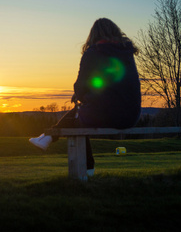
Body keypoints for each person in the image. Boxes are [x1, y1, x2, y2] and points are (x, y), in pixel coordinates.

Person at [29, 18, 142, 176]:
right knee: (81, 114)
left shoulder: (93, 52)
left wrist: (81, 94)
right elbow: (110, 84)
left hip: (107, 115)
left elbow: (81, 87)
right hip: (132, 116)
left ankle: (85, 166)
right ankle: (46, 138)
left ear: (93, 35)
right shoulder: (126, 53)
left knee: (79, 119)